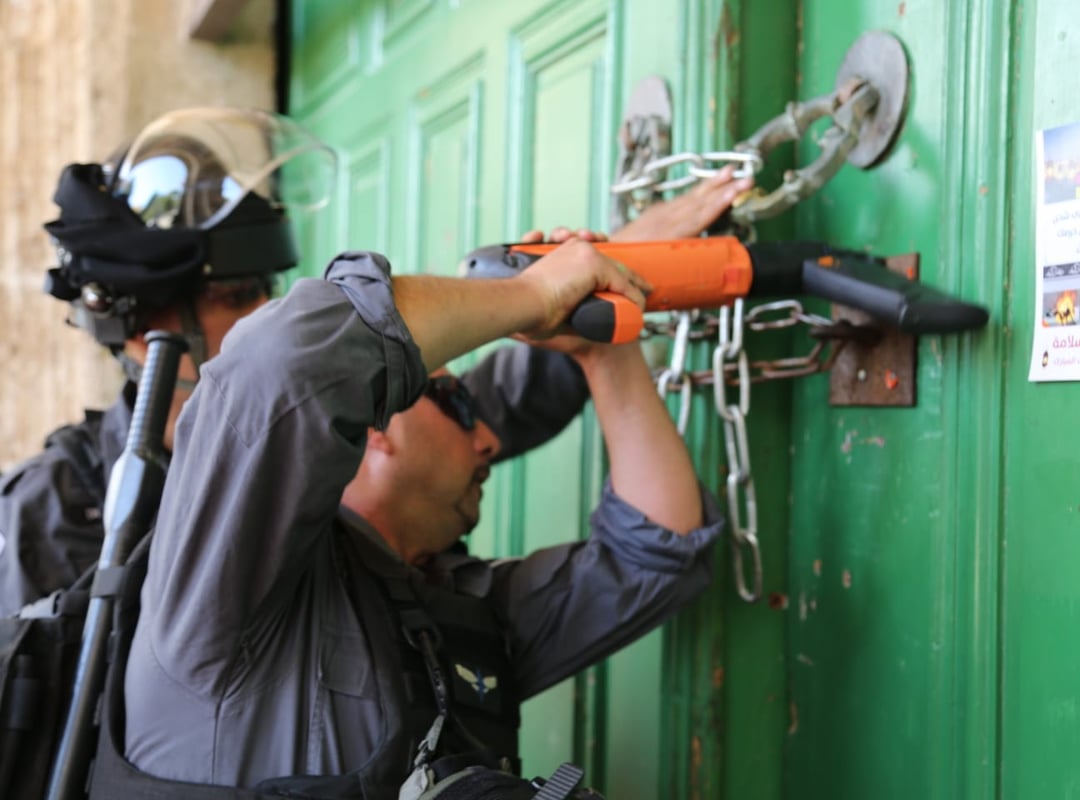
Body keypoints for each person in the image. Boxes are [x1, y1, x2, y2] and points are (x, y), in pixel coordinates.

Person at [102, 161, 751, 797]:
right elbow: (280, 363)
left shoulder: (445, 608)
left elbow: (656, 554)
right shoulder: (221, 588)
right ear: (375, 424)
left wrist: (603, 350)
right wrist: (529, 296)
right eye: (460, 406)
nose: (491, 438)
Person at [2, 106, 736, 617]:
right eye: (235, 297)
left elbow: (483, 412)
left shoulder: (329, 434)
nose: (267, 314)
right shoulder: (58, 511)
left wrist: (608, 272)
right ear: (144, 336)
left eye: (267, 289)